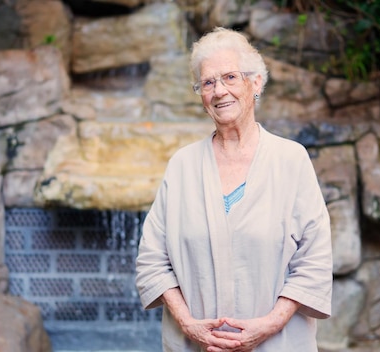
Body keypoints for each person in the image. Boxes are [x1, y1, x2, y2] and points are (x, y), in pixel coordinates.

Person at [136, 27, 332, 352]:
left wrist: (268, 326)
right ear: (200, 95)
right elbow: (152, 260)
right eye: (208, 82)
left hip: (276, 344)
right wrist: (189, 325)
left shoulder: (290, 160)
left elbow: (314, 259)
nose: (219, 91)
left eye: (230, 77)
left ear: (255, 83)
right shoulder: (182, 166)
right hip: (196, 345)